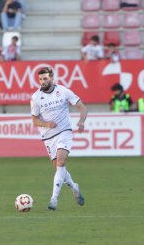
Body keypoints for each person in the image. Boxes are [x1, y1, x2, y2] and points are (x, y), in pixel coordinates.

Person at [30, 67, 87, 211]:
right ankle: (74, 187)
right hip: (49, 137)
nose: (43, 81)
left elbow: (82, 108)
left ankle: (53, 199)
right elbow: (35, 121)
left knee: (61, 162)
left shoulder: (63, 91)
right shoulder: (36, 97)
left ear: (52, 78)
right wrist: (47, 124)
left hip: (64, 131)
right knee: (59, 168)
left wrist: (81, 121)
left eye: (45, 78)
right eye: (40, 79)